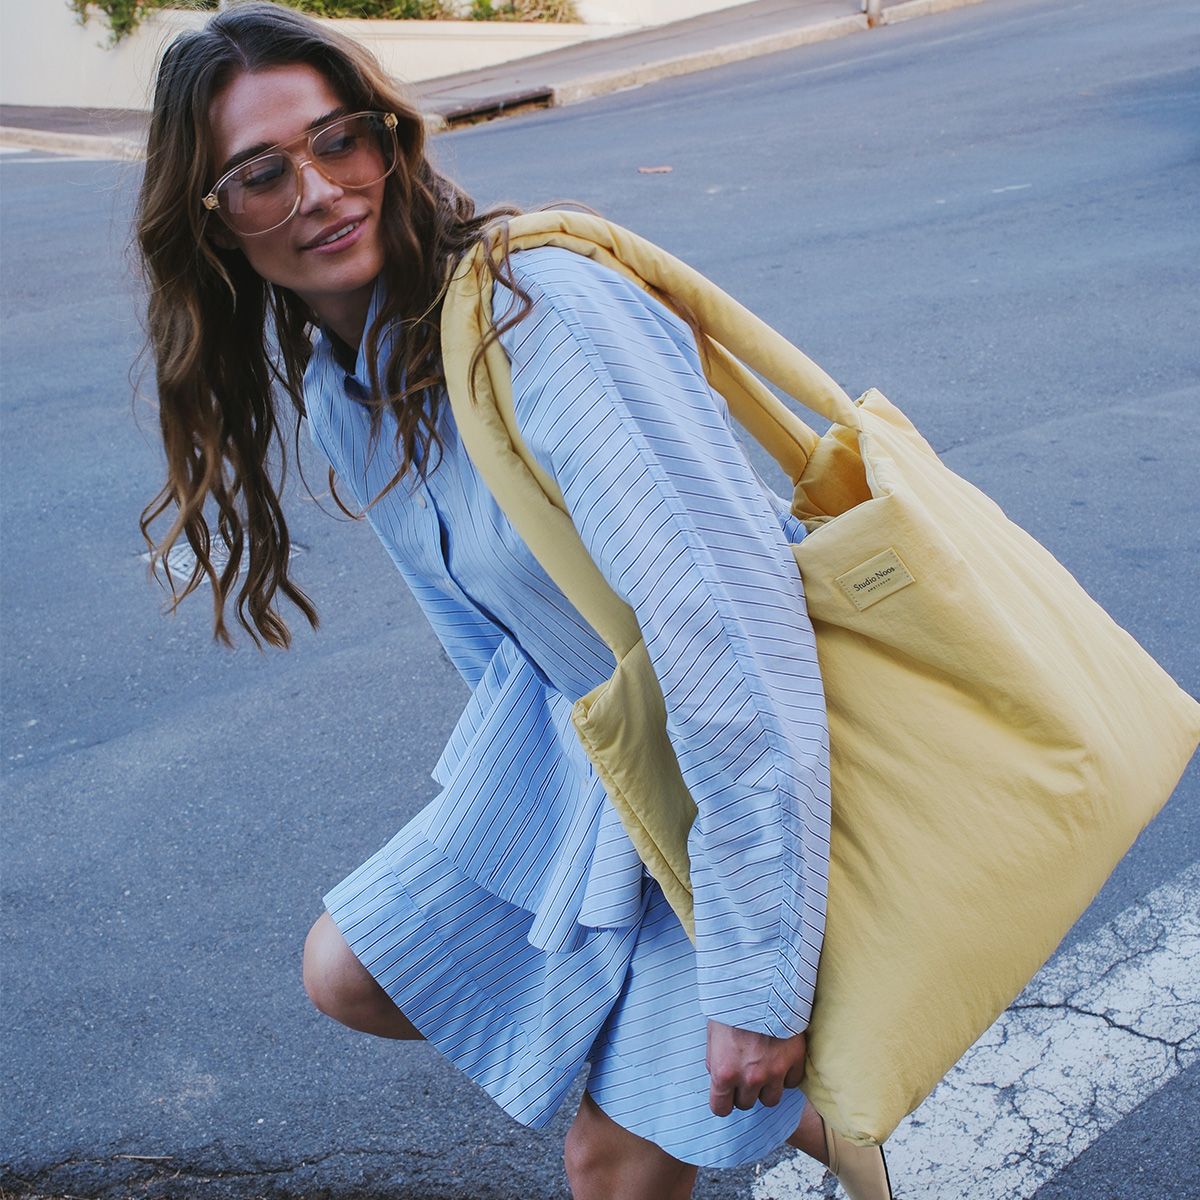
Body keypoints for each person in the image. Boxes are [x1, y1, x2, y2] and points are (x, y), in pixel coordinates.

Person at [136, 4, 890, 1198]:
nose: (321, 192)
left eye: (339, 141)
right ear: (213, 220)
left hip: (747, 756)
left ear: (387, 139)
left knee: (609, 1158)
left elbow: (728, 632)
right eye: (263, 175)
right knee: (354, 970)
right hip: (612, 768)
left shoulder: (537, 315)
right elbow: (494, 661)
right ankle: (818, 1113)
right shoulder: (349, 384)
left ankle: (751, 1084)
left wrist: (756, 978)